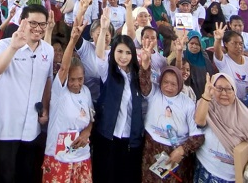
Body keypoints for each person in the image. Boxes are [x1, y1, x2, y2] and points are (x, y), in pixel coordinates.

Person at [0, 4, 54, 183]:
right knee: (5, 176)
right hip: (7, 126)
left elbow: (47, 80)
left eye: (43, 24)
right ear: (22, 22)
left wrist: (45, 107)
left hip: (32, 128)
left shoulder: (48, 50)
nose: (38, 29)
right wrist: (13, 48)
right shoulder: (4, 45)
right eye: (33, 23)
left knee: (27, 174)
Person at [139, 37, 203, 183]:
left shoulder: (187, 103)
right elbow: (143, 80)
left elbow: (198, 136)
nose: (168, 87)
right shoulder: (154, 92)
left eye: (173, 84)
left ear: (180, 84)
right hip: (152, 149)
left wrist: (181, 150)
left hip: (176, 154)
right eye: (165, 82)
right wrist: (146, 62)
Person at [194, 73, 248, 183]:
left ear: (234, 91)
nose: (224, 93)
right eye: (219, 88)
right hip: (205, 168)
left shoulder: (243, 114)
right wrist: (206, 95)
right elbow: (199, 122)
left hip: (230, 176)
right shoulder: (206, 104)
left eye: (229, 89)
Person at [42, 24, 94, 183]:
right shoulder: (59, 90)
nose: (76, 84)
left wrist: (87, 133)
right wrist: (72, 40)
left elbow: (92, 118)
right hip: (58, 158)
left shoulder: (86, 92)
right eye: (72, 79)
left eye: (80, 79)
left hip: (82, 157)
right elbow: (64, 68)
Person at [92, 30, 143, 183]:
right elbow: (99, 54)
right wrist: (103, 26)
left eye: (128, 52)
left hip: (130, 138)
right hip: (107, 136)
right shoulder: (107, 71)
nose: (123, 56)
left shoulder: (137, 76)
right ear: (113, 51)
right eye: (119, 51)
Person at [212, 25, 248, 101]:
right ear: (226, 44)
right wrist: (218, 40)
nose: (238, 46)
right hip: (229, 101)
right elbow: (217, 51)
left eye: (241, 43)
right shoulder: (223, 60)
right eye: (234, 43)